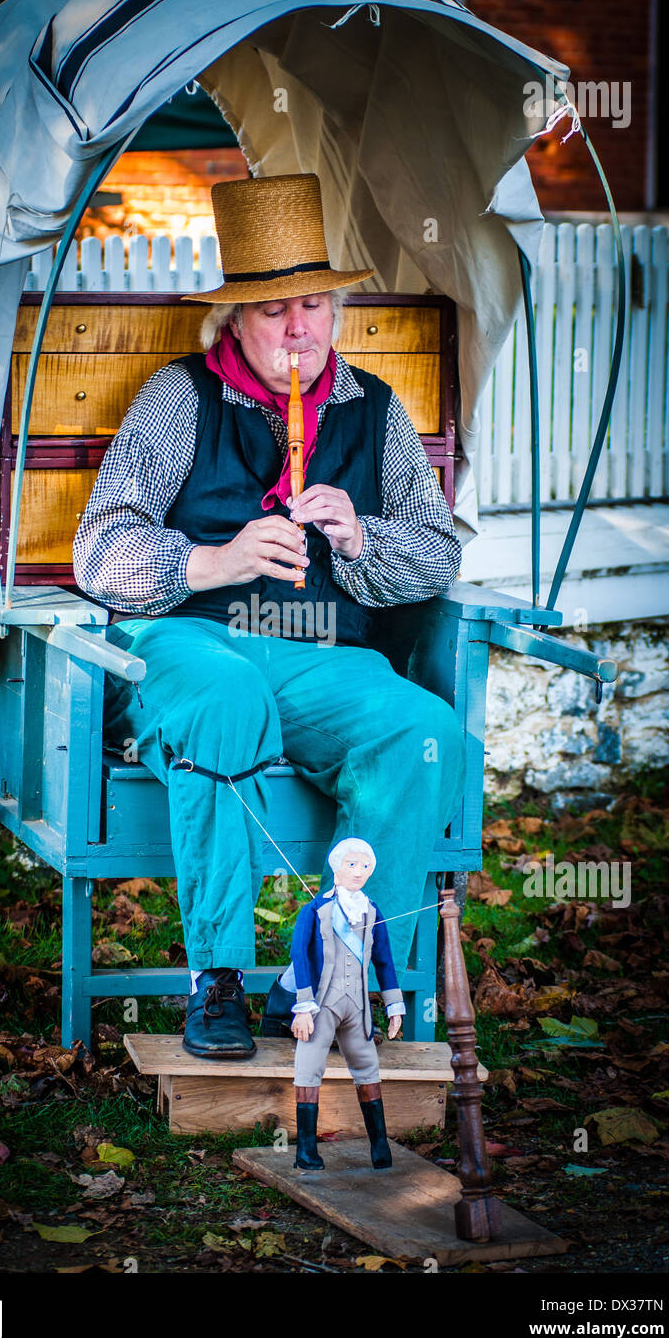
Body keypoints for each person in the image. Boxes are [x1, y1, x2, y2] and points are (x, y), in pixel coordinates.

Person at [73, 172, 465, 1060]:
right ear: (232, 323)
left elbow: (437, 552)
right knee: (226, 696)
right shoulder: (181, 398)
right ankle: (216, 980)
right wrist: (216, 559)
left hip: (321, 653)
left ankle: (357, 978)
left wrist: (361, 537)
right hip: (190, 641)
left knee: (416, 727)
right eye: (274, 311)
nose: (299, 330)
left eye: (316, 305)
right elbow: (100, 550)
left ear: (336, 311)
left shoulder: (372, 408)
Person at [288, 837, 402, 1171]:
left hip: (358, 1006)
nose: (359, 872)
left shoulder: (371, 910)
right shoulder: (316, 909)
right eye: (352, 864)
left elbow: (384, 960)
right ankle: (305, 1151)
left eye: (366, 866)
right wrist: (304, 1005)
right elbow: (300, 956)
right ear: (336, 867)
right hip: (322, 1004)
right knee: (308, 1071)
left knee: (367, 1068)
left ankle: (380, 1147)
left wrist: (393, 1004)